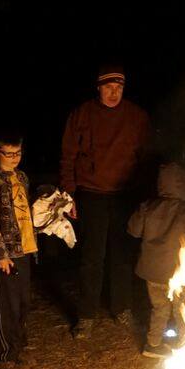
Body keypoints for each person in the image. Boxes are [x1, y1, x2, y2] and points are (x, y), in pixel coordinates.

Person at [60, 65, 152, 338]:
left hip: (125, 195)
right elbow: (68, 155)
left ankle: (120, 307)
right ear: (98, 88)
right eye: (109, 87)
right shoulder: (82, 114)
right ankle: (86, 315)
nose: (114, 93)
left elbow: (146, 158)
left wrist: (145, 196)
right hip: (91, 194)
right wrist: (69, 193)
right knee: (92, 257)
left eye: (119, 88)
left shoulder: (136, 117)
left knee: (122, 256)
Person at [126, 163, 185, 358]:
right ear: (183, 185)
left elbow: (133, 229)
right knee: (182, 306)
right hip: (176, 271)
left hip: (152, 270)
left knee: (159, 307)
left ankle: (153, 344)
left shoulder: (148, 206)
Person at [0, 133, 37, 369]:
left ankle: (18, 347)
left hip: (24, 248)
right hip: (7, 254)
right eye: (9, 154)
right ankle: (5, 355)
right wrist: (0, 254)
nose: (15, 158)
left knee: (24, 302)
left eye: (18, 153)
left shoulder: (22, 177)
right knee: (8, 304)